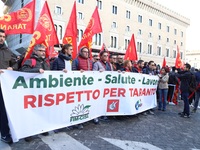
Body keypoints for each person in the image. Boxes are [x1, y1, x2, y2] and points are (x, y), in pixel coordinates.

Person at [21, 44, 50, 141]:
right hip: (31, 92)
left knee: (42, 111)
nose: (43, 52)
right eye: (41, 50)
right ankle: (28, 133)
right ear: (35, 51)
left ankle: (42, 128)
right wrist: (36, 70)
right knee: (31, 112)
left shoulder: (46, 62)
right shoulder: (30, 61)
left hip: (43, 91)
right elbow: (23, 71)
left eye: (44, 51)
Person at [0, 29, 16, 144]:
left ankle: (5, 133)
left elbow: (15, 62)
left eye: (3, 37)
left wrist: (12, 67)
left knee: (4, 110)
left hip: (4, 86)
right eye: (0, 36)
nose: (1, 38)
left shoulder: (8, 51)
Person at [72, 46, 93, 127]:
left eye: (87, 52)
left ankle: (86, 117)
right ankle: (78, 121)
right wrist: (78, 72)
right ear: (81, 52)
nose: (86, 53)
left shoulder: (90, 61)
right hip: (79, 86)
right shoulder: (76, 61)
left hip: (88, 85)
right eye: (84, 52)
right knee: (79, 104)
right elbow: (73, 72)